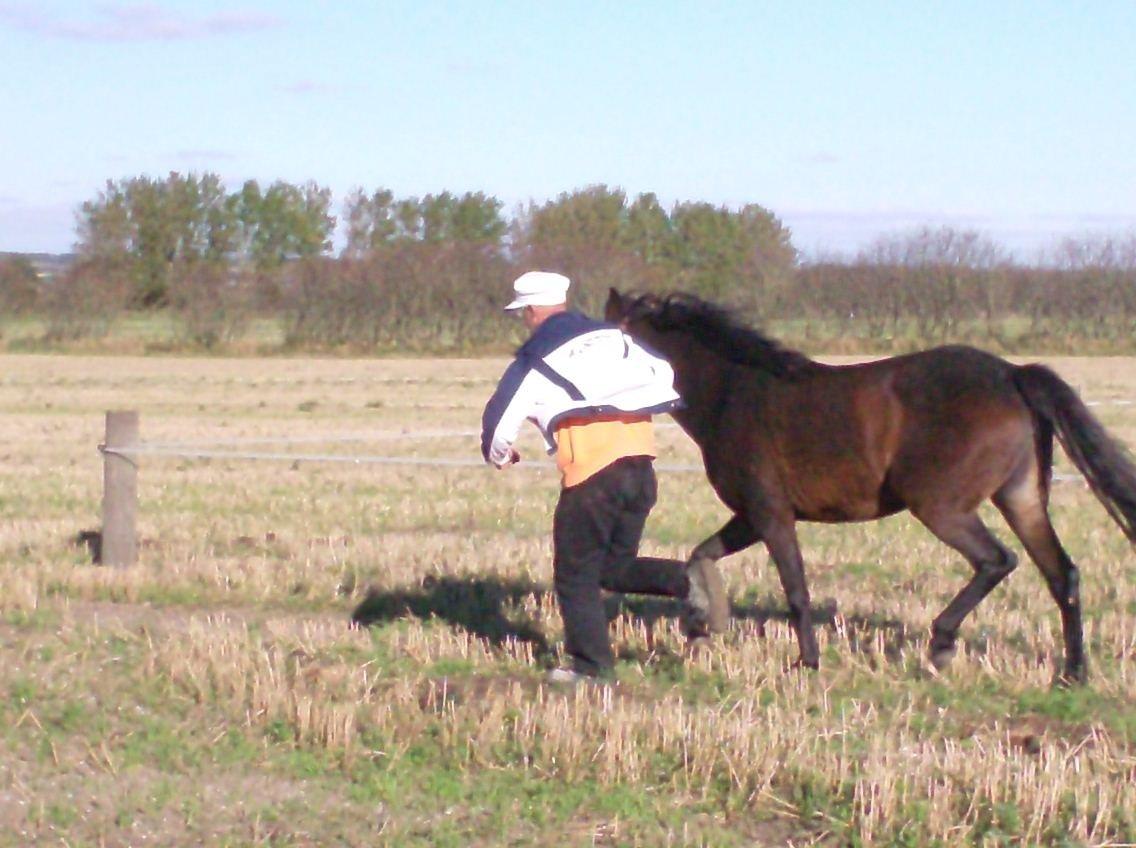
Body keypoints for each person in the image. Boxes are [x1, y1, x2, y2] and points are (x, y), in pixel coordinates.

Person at [481, 271, 712, 684]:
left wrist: (499, 454)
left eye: (524, 314)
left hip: (593, 476)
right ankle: (687, 579)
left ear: (531, 311)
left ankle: (591, 668)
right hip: (641, 468)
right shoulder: (616, 338)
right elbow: (663, 374)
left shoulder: (537, 356)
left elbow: (499, 420)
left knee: (576, 575)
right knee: (614, 568)